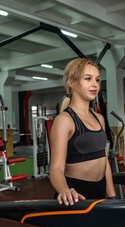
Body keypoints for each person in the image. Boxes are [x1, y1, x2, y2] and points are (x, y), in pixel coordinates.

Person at [50, 58, 117, 208]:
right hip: (75, 194)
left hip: (99, 190)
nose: (95, 84)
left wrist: (113, 195)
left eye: (97, 80)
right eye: (88, 79)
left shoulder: (99, 119)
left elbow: (104, 160)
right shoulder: (64, 120)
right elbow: (56, 168)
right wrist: (65, 190)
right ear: (71, 82)